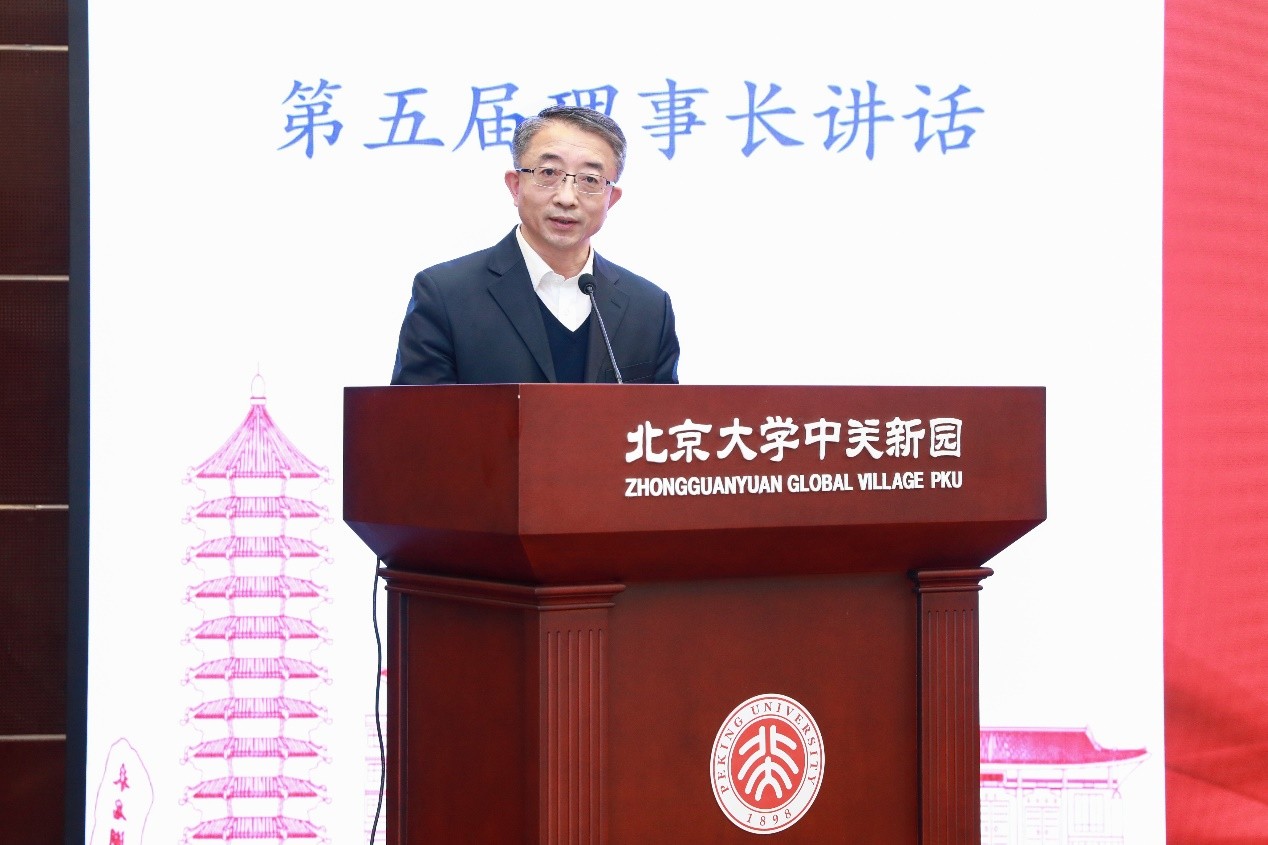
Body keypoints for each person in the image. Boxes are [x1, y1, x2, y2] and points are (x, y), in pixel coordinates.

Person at [390, 105, 680, 385]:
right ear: (515, 186)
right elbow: (418, 416)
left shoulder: (650, 308)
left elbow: (664, 417)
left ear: (611, 199)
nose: (566, 198)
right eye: (549, 173)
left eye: (590, 180)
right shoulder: (445, 295)